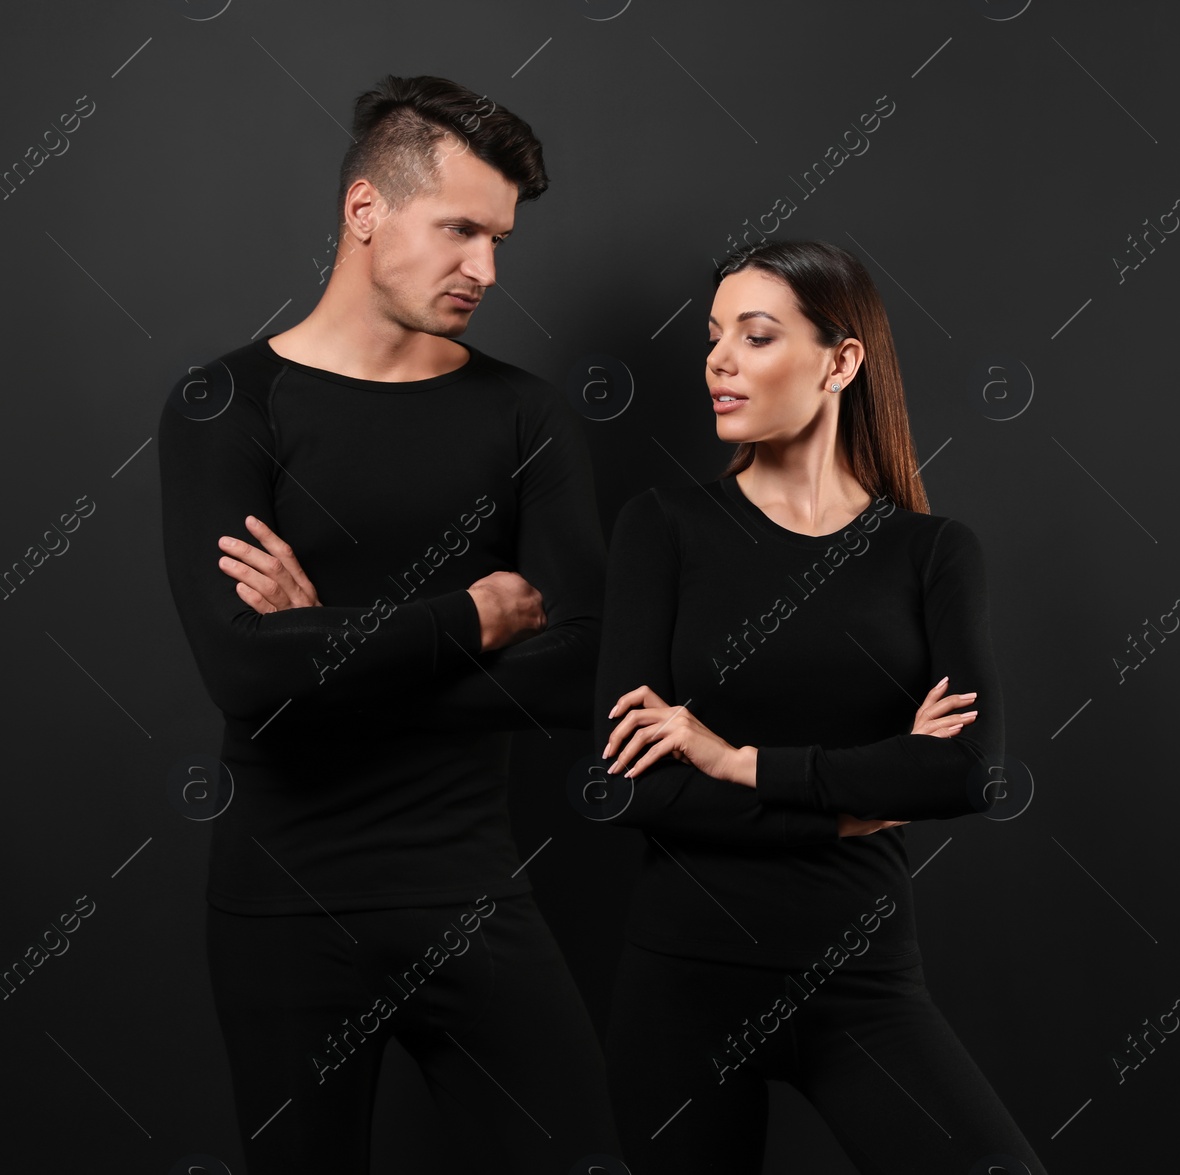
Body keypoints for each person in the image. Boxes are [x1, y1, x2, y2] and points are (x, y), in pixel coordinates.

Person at [158, 74, 623, 1174]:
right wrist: (474, 611)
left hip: (471, 891)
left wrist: (332, 645)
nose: (487, 269)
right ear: (365, 211)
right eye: (460, 228)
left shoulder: (527, 414)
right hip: (284, 907)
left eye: (500, 238)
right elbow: (243, 670)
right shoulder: (226, 404)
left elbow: (584, 671)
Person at [591, 239, 1046, 1174]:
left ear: (841, 362)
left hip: (864, 981)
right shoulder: (663, 530)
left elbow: (967, 772)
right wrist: (862, 799)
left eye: (754, 337)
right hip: (685, 985)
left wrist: (735, 761)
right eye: (713, 336)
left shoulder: (932, 553)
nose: (717, 360)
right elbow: (624, 787)